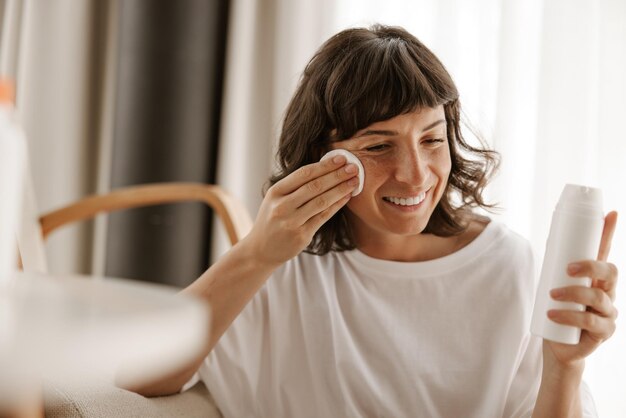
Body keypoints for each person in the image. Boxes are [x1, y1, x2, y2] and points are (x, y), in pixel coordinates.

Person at [122, 25, 619, 417]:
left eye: (432, 140)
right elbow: (136, 375)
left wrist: (564, 366)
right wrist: (255, 254)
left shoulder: (506, 265)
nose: (415, 176)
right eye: (379, 146)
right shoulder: (283, 268)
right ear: (323, 158)